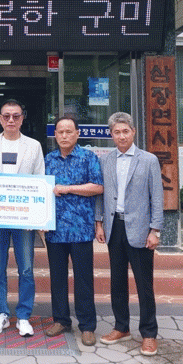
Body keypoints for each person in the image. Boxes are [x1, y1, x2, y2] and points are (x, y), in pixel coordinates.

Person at [95, 112, 164, 357]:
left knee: (144, 284)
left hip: (141, 229)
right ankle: (121, 327)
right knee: (117, 281)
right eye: (117, 132)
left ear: (133, 132)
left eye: (126, 131)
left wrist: (155, 230)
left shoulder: (148, 160)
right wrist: (99, 223)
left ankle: (149, 333)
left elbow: (157, 197)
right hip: (114, 227)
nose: (122, 136)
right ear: (111, 135)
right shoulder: (105, 160)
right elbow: (101, 195)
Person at [0, 99, 45, 337]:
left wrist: (37, 217)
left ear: (22, 118)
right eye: (6, 116)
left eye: (16, 116)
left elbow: (40, 180)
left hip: (24, 218)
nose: (11, 120)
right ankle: (1, 313)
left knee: (26, 268)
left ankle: (24, 316)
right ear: (0, 119)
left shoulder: (34, 146)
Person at [43, 116, 104, 347]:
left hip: (81, 229)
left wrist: (68, 189)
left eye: (69, 131)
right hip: (55, 230)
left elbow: (98, 187)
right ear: (55, 135)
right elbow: (41, 190)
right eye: (60, 132)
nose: (64, 136)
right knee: (57, 278)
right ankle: (61, 320)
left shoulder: (89, 157)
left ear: (78, 133)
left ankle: (87, 326)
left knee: (83, 279)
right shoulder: (48, 159)